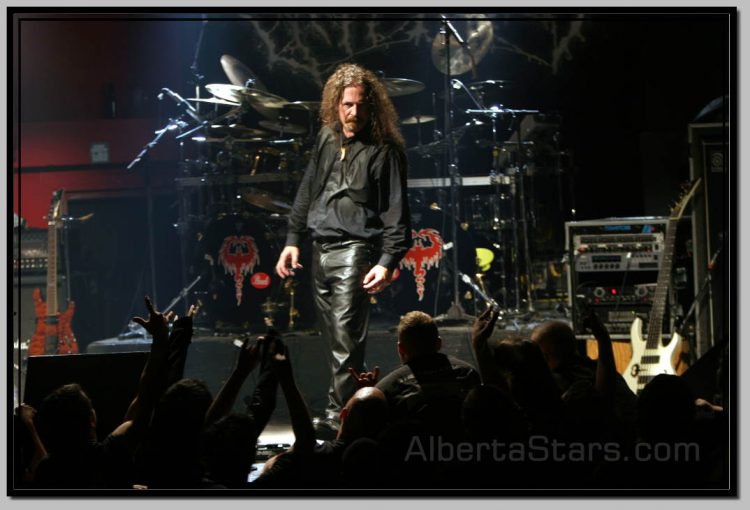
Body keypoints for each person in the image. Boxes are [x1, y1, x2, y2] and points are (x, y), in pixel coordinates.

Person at [275, 63, 411, 435]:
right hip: (320, 247)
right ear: (336, 105)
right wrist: (292, 240)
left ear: (372, 107)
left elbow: (397, 212)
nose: (353, 113)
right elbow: (308, 189)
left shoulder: (386, 151)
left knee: (346, 335)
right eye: (347, 105)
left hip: (355, 249)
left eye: (361, 106)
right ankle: (346, 408)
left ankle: (340, 416)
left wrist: (387, 260)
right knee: (334, 337)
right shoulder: (326, 137)